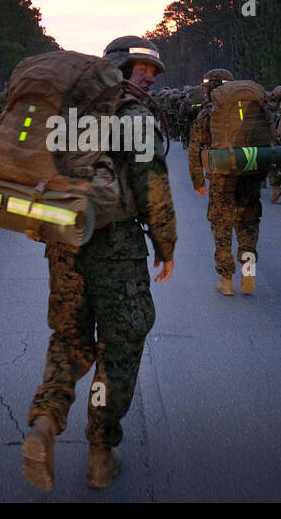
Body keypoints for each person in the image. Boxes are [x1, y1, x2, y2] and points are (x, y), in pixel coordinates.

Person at [20, 37, 177, 491]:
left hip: (64, 243)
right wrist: (166, 244)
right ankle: (100, 452)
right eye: (142, 67)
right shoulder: (133, 117)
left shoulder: (65, 112)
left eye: (154, 70)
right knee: (121, 343)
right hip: (117, 246)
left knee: (69, 339)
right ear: (119, 68)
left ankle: (45, 423)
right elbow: (153, 187)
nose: (149, 76)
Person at [187, 68, 270, 296]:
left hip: (221, 176)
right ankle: (249, 272)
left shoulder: (209, 113)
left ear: (211, 87)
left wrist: (197, 181)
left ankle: (226, 279)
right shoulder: (253, 109)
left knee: (221, 225)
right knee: (248, 222)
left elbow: (195, 148)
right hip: (250, 171)